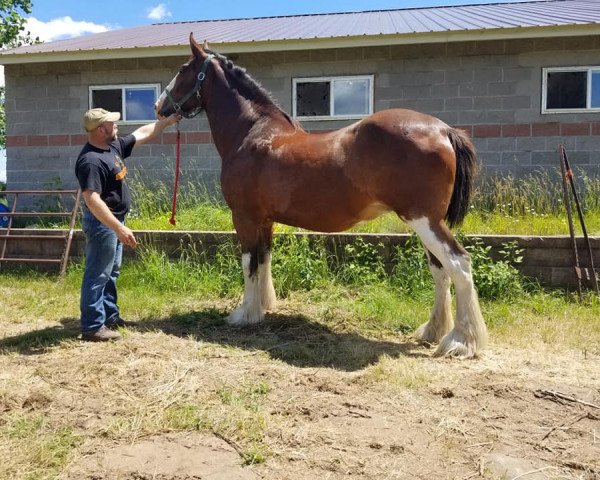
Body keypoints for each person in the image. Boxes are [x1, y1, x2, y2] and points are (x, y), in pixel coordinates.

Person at [75, 108, 180, 342]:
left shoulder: (112, 147)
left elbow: (142, 133)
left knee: (111, 272)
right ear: (101, 129)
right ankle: (92, 327)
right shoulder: (91, 160)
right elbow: (92, 200)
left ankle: (109, 317)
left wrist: (166, 122)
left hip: (114, 222)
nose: (117, 126)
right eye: (112, 123)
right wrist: (118, 228)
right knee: (97, 274)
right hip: (103, 224)